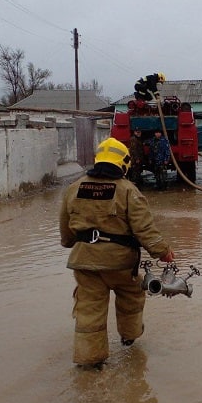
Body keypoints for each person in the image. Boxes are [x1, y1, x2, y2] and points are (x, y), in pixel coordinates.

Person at [59, 137, 175, 368]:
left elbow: (66, 229)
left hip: (84, 263)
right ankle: (129, 339)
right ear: (124, 163)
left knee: (89, 309)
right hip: (120, 265)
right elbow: (144, 228)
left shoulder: (75, 188)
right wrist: (163, 252)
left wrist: (72, 242)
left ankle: (89, 360)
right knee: (131, 298)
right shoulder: (127, 190)